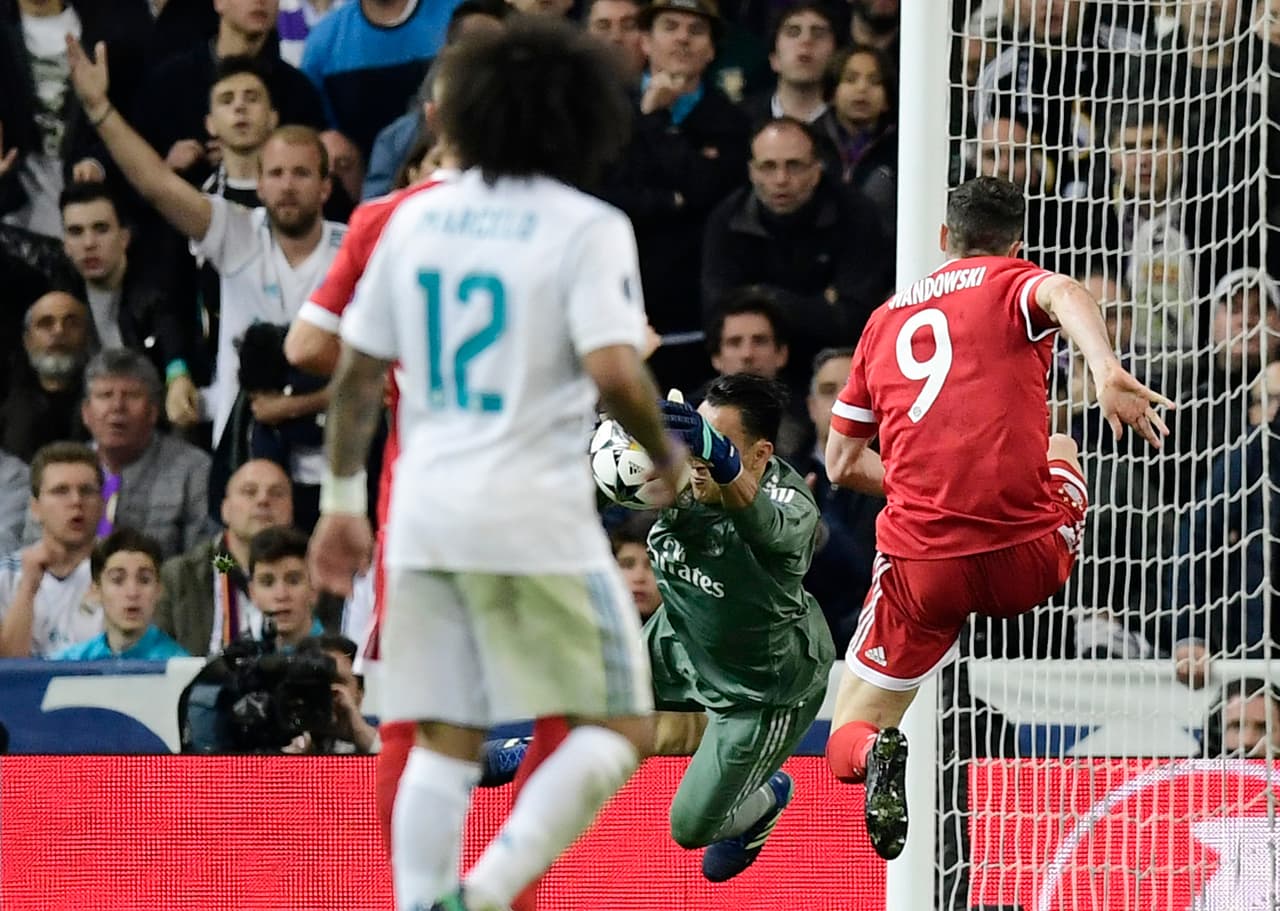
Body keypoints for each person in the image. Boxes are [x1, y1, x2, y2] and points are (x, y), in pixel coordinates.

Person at [306, 19, 682, 911]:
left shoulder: (411, 219)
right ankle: (490, 890)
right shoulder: (587, 225)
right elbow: (615, 368)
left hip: (423, 512)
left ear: (461, 114)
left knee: (442, 734)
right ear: (578, 121)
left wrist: (342, 500)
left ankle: (422, 901)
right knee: (623, 723)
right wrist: (661, 451)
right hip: (534, 514)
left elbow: (357, 375)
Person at [821, 175, 1174, 860]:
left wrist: (928, 487)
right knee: (1062, 446)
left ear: (944, 239)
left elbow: (839, 465)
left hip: (923, 569)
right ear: (1017, 244)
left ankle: (876, 753)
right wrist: (1103, 369)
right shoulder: (1014, 280)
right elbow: (1066, 292)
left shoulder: (883, 320)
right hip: (1027, 559)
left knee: (847, 730)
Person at [648, 374, 835, 880]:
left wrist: (726, 469)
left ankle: (768, 797)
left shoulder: (793, 507)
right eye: (698, 437)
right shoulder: (681, 474)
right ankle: (527, 753)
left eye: (721, 445)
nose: (701, 455)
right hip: (680, 633)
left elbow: (764, 524)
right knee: (574, 674)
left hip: (759, 685)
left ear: (759, 454)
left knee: (688, 829)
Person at [0, 442, 103, 657]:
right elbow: (8, 670)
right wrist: (27, 589)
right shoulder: (6, 576)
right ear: (35, 508)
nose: (76, 501)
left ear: (102, 504)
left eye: (86, 491)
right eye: (60, 491)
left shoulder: (122, 572)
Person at [51, 527, 187, 660]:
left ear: (159, 590)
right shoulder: (70, 664)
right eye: (117, 580)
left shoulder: (179, 667)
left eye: (144, 580)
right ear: (96, 589)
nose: (132, 592)